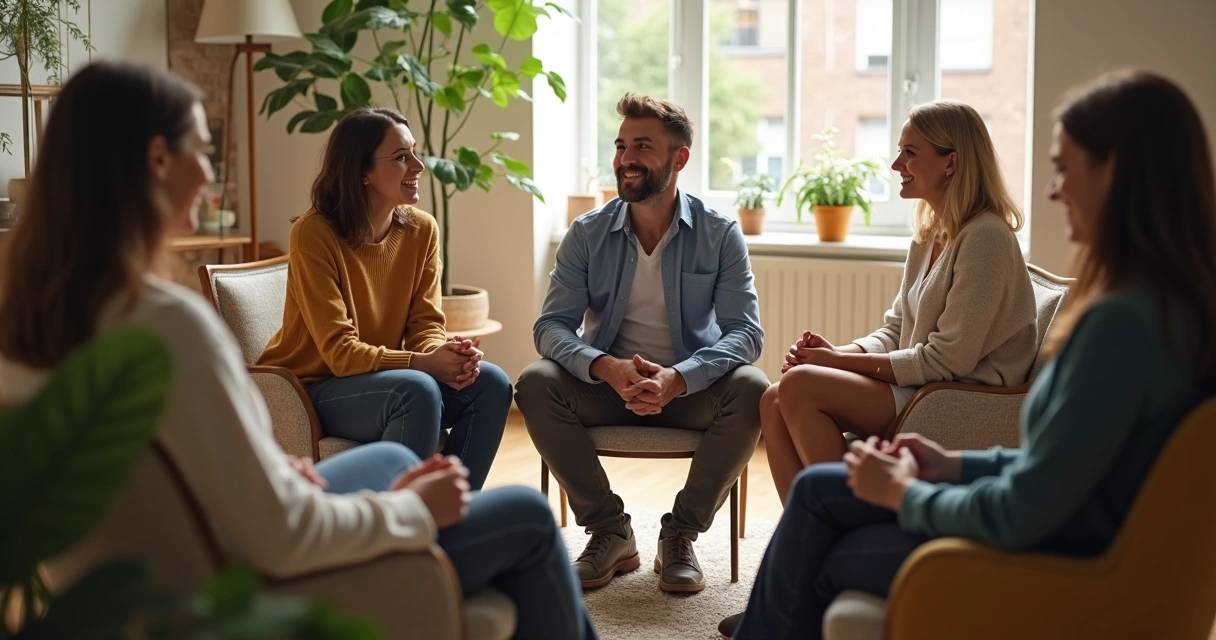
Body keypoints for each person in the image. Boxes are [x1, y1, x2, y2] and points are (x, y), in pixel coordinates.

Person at [0, 61, 596, 640]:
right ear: (158, 160)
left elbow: (183, 485)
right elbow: (283, 535)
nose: (209, 175)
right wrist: (410, 513)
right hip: (258, 588)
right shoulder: (172, 328)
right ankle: (438, 543)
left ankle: (447, 517)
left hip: (181, 572)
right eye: (203, 153)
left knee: (393, 459)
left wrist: (266, 472)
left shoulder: (27, 328)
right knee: (528, 516)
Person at [720, 70, 1216, 639]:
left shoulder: (1120, 326)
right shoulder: (1168, 312)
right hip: (1062, 530)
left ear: (1116, 172)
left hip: (1050, 548)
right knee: (813, 490)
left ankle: (776, 599)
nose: (1053, 191)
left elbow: (1026, 504)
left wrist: (906, 493)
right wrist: (952, 466)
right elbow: (1058, 467)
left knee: (819, 530)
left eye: (1063, 168)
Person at [515, 93, 769, 594]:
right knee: (535, 382)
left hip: (690, 393)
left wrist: (680, 378)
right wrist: (606, 367)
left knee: (753, 389)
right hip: (605, 389)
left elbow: (746, 331)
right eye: (620, 146)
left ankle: (680, 534)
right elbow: (551, 327)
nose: (625, 159)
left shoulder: (719, 234)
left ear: (680, 158)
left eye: (642, 146)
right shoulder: (586, 233)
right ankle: (610, 531)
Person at [760, 99, 1037, 505]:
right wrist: (839, 352)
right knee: (772, 398)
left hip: (955, 397)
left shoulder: (986, 238)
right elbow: (896, 329)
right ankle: (806, 526)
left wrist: (835, 363)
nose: (896, 165)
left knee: (799, 385)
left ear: (951, 163)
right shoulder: (931, 232)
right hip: (924, 383)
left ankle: (848, 519)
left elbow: (948, 360)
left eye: (909, 153)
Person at [256, 107, 510, 490]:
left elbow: (426, 324)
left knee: (491, 383)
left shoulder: (422, 230)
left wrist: (444, 355)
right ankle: (397, 522)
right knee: (416, 390)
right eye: (402, 157)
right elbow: (339, 354)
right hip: (312, 389)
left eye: (414, 152)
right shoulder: (313, 234)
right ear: (363, 171)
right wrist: (422, 363)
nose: (419, 166)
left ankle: (454, 515)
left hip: (379, 380)